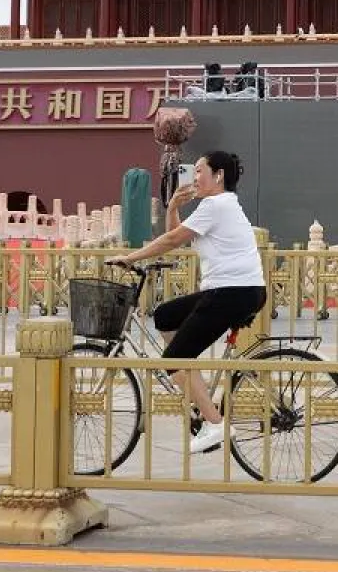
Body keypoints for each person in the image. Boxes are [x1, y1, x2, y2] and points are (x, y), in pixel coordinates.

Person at [108, 151, 266, 454]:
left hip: (232, 293)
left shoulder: (215, 205)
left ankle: (215, 424)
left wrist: (129, 258)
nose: (194, 178)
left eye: (199, 172)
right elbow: (176, 235)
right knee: (165, 316)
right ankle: (196, 387)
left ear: (218, 175)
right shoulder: (219, 206)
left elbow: (170, 242)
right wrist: (173, 208)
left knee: (173, 358)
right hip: (234, 290)